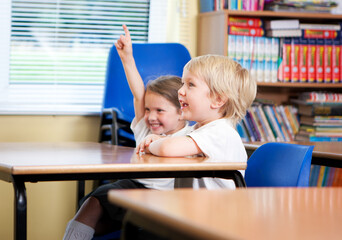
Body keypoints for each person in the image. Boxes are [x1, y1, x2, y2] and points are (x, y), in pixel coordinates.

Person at [63, 25, 189, 240]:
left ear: (181, 112)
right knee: (92, 204)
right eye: (148, 109)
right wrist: (127, 58)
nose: (150, 116)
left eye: (160, 110)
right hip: (134, 187)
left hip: (166, 200)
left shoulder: (192, 138)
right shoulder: (145, 127)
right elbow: (138, 93)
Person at [137, 54, 257, 189]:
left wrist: (150, 145)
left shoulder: (221, 133)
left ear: (218, 100)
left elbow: (166, 148)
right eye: (183, 84)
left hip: (215, 209)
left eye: (191, 84)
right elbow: (170, 144)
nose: (180, 91)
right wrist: (159, 139)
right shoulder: (200, 131)